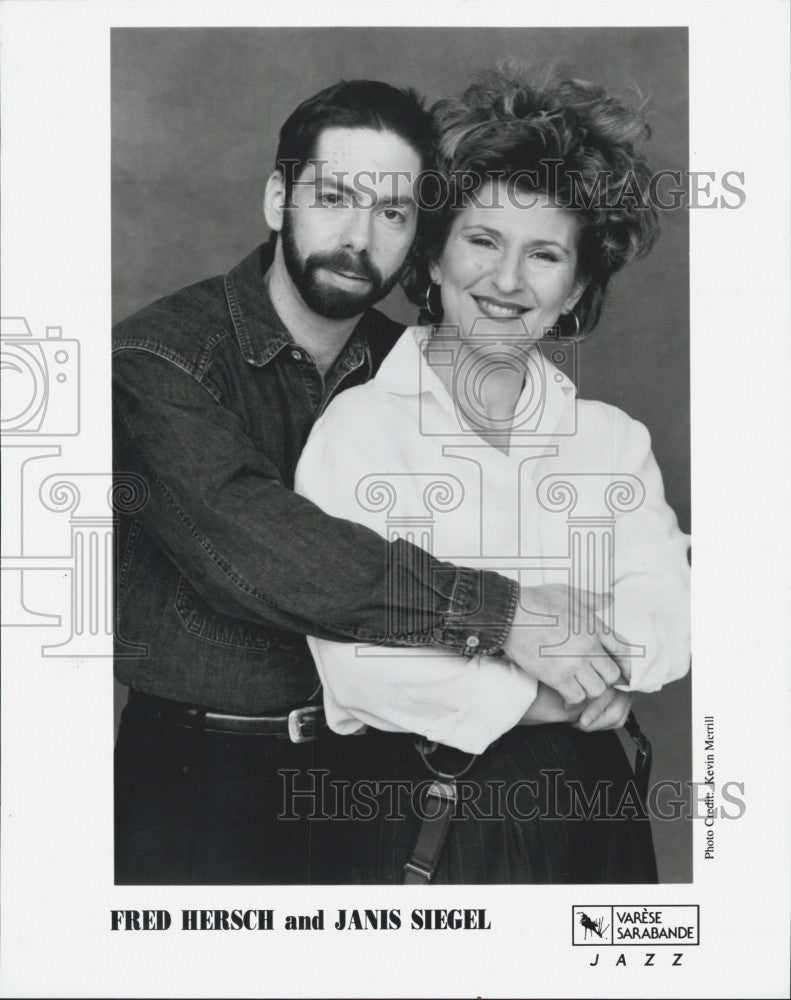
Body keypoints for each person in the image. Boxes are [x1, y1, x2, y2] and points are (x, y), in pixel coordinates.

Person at [113, 77, 617, 885]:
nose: (358, 236)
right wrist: (504, 614)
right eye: (334, 196)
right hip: (204, 780)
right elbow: (263, 548)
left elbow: (531, 512)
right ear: (279, 196)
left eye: (392, 212)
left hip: (385, 781)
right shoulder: (158, 361)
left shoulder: (407, 366)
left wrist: (604, 646)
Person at [295, 66, 691, 883]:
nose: (506, 282)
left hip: (592, 808)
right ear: (433, 258)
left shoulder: (610, 439)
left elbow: (670, 613)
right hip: (427, 811)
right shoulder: (360, 430)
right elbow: (360, 666)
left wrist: (581, 652)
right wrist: (550, 692)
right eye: (482, 241)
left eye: (543, 254)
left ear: (574, 289)